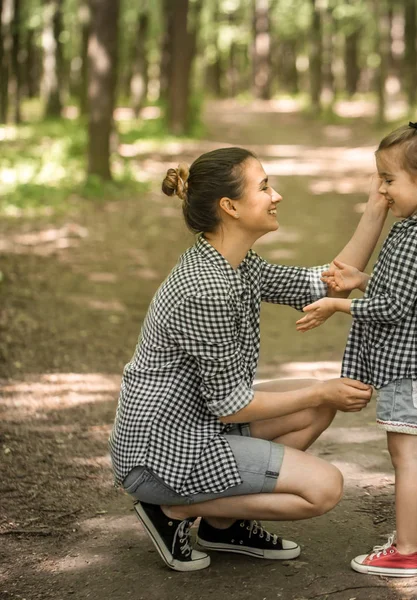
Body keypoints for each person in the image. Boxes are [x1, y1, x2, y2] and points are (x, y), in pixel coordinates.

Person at [109, 146, 388, 572]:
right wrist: (318, 390)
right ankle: (171, 512)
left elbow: (327, 284)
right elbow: (232, 407)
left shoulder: (235, 263)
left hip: (197, 422)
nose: (276, 196)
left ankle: (225, 524)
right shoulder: (207, 288)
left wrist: (375, 207)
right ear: (230, 206)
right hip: (164, 453)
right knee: (324, 489)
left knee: (319, 403)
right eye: (264, 187)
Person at [296, 121, 417, 578]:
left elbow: (393, 307)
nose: (382, 189)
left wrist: (340, 302)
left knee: (405, 456)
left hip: (407, 366)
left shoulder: (416, 234)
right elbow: (404, 289)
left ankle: (407, 550)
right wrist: (360, 280)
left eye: (388, 179)